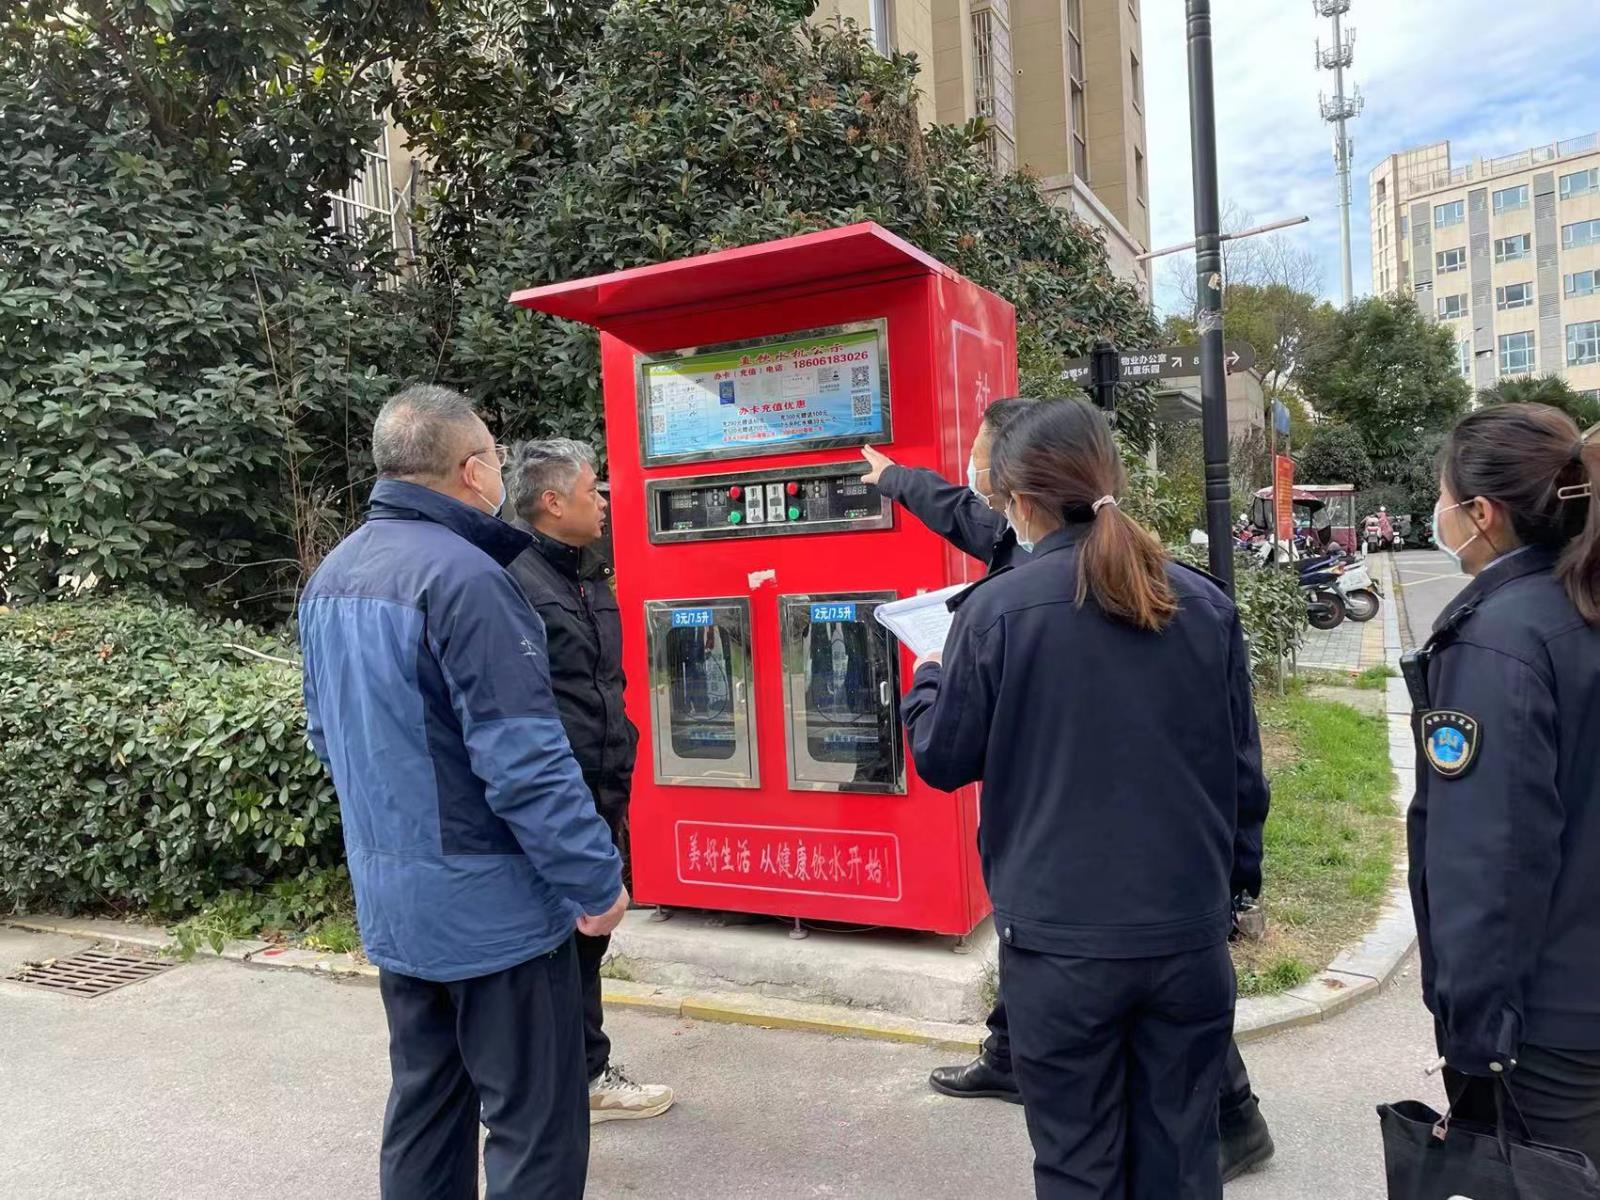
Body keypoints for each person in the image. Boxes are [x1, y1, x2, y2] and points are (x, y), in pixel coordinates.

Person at [861, 401, 1274, 1183]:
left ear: (1016, 501)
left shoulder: (995, 613)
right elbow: (1243, 774)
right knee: (1183, 1159)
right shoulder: (1204, 602)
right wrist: (1235, 892)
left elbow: (943, 757)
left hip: (1061, 943)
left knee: (1080, 1162)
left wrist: (927, 675)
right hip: (1187, 931)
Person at [299, 385, 629, 1200]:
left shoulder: (332, 575)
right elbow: (523, 758)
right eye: (498, 457)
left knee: (426, 1111)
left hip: (396, 908)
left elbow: (325, 737)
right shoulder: (470, 579)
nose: (500, 472)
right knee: (535, 1129)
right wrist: (593, 880)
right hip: (498, 920)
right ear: (472, 468)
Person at [1404, 402, 1600, 1165]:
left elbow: (1492, 859)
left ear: (1481, 513)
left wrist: (1477, 1039)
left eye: (1446, 498)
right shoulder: (1577, 606)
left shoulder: (1500, 640)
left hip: (1544, 1029)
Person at [504, 439, 674, 1124]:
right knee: (552, 941)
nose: (603, 502)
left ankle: (579, 1073)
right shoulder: (511, 580)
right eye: (592, 491)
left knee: (587, 939)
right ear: (552, 502)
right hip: (556, 794)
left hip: (603, 784)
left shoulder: (586, 573)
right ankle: (565, 1084)